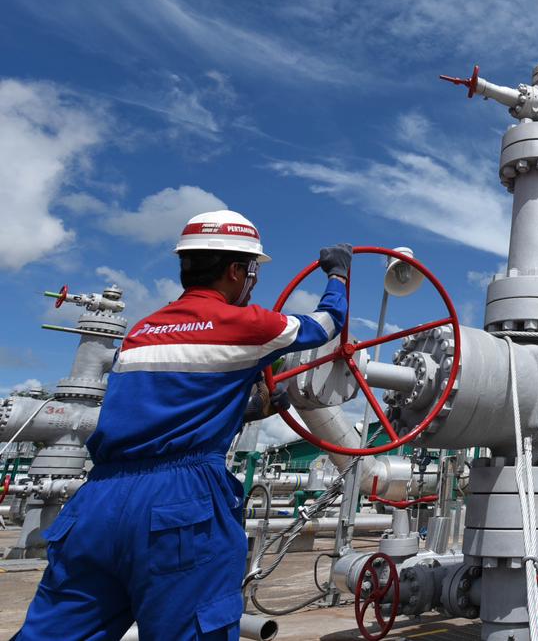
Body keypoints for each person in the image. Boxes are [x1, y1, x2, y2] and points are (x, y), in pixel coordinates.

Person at [16, 210, 352, 640]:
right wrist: (338, 274)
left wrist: (246, 410)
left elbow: (163, 408)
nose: (253, 283)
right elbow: (325, 325)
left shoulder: (141, 332)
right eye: (252, 272)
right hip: (179, 504)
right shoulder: (245, 325)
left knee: (58, 631)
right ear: (236, 270)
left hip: (97, 501)